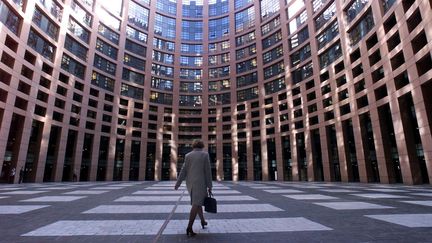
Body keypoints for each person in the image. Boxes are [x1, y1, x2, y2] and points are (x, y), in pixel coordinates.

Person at [175, 139, 212, 237]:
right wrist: (210, 186)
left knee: (198, 202)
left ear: (193, 146)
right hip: (200, 184)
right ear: (202, 146)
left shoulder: (188, 156)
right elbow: (208, 172)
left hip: (190, 184)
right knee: (196, 204)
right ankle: (189, 227)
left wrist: (177, 184)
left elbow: (183, 171)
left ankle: (203, 221)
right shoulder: (205, 155)